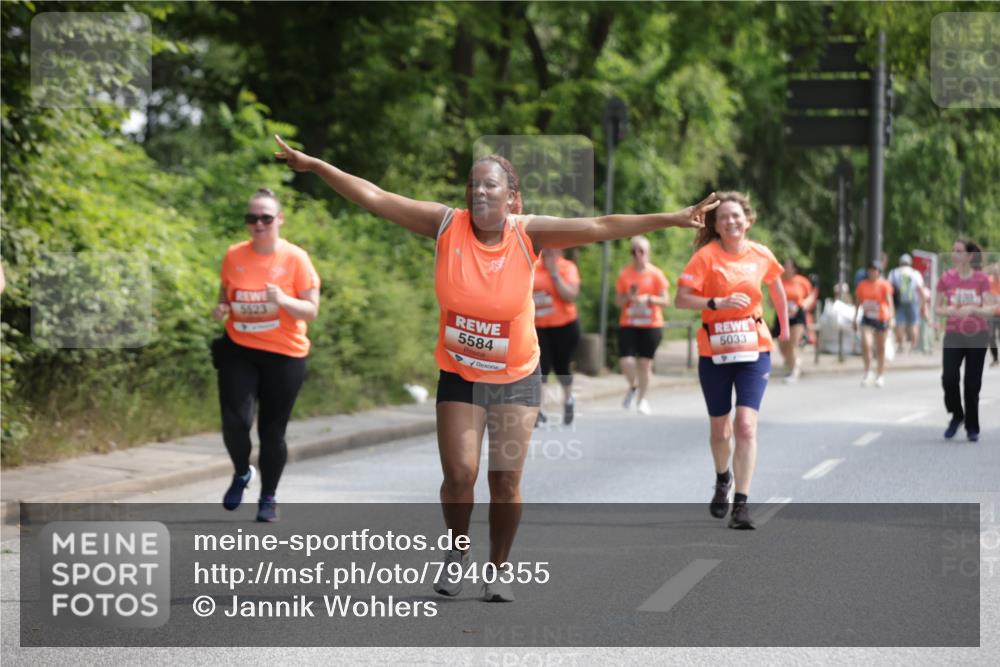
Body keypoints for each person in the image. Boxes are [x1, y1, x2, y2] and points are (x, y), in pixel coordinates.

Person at [274, 135, 718, 601]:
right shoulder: (447, 224)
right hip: (461, 373)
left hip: (516, 376)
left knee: (504, 481)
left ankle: (499, 568)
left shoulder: (529, 232)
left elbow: (601, 224)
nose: (479, 193)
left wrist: (671, 218)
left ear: (513, 198)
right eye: (473, 185)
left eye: (490, 186)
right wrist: (317, 165)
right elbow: (376, 196)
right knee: (460, 476)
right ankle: (456, 551)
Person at [675, 191, 789, 530]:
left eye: (736, 215)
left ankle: (742, 503)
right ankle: (722, 478)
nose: (731, 221)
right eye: (724, 217)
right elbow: (681, 298)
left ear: (748, 220)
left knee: (745, 425)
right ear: (716, 224)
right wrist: (715, 303)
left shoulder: (761, 255)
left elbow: (777, 290)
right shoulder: (705, 257)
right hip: (715, 351)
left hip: (754, 349)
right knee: (720, 430)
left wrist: (782, 330)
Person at [211, 187, 321, 522]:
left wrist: (284, 301)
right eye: (252, 218)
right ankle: (242, 471)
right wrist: (222, 306)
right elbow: (225, 294)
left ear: (279, 220)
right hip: (239, 350)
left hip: (284, 355)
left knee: (272, 432)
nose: (258, 224)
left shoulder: (295, 258)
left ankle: (268, 497)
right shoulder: (234, 255)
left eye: (265, 218)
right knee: (235, 423)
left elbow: (311, 310)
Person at [937, 239, 994, 442]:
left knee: (972, 384)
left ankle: (972, 426)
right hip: (953, 333)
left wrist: (972, 309)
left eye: (959, 251)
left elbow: (991, 310)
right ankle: (957, 414)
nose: (954, 254)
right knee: (949, 378)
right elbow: (937, 307)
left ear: (970, 256)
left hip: (977, 335)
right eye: (953, 251)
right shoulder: (946, 278)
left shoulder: (981, 280)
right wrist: (947, 310)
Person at [615, 236, 670, 415]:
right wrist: (628, 298)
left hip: (650, 324)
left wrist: (649, 299)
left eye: (641, 251)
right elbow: (618, 301)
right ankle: (634, 386)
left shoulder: (656, 274)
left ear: (648, 253)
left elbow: (666, 301)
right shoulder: (625, 274)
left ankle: (642, 400)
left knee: (645, 363)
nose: (637, 255)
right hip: (629, 322)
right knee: (626, 361)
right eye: (634, 251)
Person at [533, 247, 581, 425]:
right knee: (540, 368)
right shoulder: (534, 266)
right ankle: (538, 409)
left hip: (565, 326)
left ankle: (568, 401)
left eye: (553, 251)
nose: (549, 254)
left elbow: (570, 296)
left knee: (562, 367)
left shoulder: (567, 267)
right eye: (546, 251)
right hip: (539, 327)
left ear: (560, 251)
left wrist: (554, 275)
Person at [774, 259, 815, 383]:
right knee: (782, 346)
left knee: (792, 344)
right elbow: (774, 297)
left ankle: (794, 371)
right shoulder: (779, 280)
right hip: (782, 315)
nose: (786, 269)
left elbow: (811, 295)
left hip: (797, 316)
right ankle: (794, 361)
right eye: (784, 266)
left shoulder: (802, 282)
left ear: (794, 269)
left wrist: (804, 304)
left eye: (788, 267)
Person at [854, 261, 894, 388]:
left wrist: (892, 318)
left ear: (879, 272)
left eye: (875, 270)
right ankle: (867, 372)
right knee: (866, 344)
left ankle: (880, 374)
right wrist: (855, 318)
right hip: (867, 317)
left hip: (881, 317)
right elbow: (858, 302)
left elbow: (889, 302)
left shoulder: (884, 285)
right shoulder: (862, 285)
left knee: (880, 348)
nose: (872, 272)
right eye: (871, 270)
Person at [887, 253, 926, 354]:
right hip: (913, 301)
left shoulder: (894, 272)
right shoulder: (915, 273)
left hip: (899, 301)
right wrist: (923, 304)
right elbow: (921, 291)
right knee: (914, 323)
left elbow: (888, 288)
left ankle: (900, 345)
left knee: (900, 323)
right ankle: (913, 346)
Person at [987, 262, 1000, 368]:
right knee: (991, 337)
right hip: (991, 314)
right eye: (995, 273)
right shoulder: (989, 281)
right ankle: (995, 359)